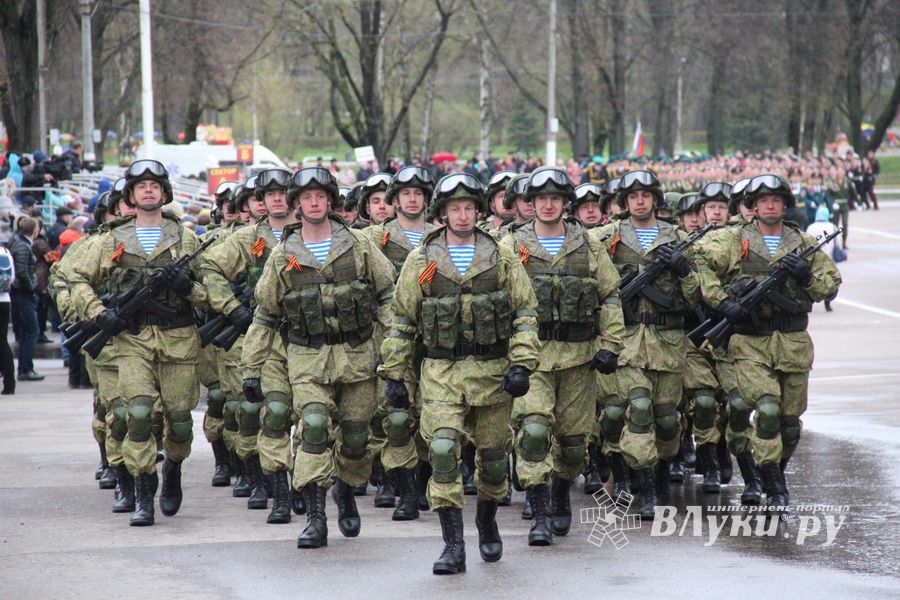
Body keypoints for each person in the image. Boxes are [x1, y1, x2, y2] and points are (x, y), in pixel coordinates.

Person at [379, 172, 540, 574]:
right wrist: (395, 373)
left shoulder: (501, 256)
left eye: (469, 208)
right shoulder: (423, 259)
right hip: (442, 371)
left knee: (493, 459)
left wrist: (522, 363)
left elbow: (524, 312)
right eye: (455, 209)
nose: (463, 215)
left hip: (492, 371)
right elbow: (402, 319)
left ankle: (486, 520)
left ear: (479, 211)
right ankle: (452, 544)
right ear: (443, 213)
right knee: (443, 451)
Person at [241, 167, 396, 548]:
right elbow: (265, 314)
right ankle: (314, 516)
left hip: (358, 357)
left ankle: (346, 488)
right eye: (306, 197)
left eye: (320, 196)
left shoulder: (359, 246)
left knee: (356, 438)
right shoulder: (282, 256)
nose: (313, 202)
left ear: (330, 201)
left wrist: (396, 355)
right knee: (312, 427)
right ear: (297, 204)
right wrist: (251, 367)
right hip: (307, 359)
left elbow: (387, 298)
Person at [68, 159, 210, 527]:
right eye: (141, 186)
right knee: (139, 416)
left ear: (165, 194)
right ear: (130, 195)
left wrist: (188, 287)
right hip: (131, 340)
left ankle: (173, 467)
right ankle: (143, 492)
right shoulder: (111, 239)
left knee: (179, 421)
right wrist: (99, 313)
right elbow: (74, 278)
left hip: (178, 338)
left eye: (155, 185)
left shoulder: (187, 239)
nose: (148, 190)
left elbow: (212, 293)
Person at [694, 174, 841, 514]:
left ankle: (775, 475)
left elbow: (829, 287)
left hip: (792, 341)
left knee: (789, 424)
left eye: (776, 199)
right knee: (768, 412)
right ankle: (775, 488)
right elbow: (697, 263)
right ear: (753, 206)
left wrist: (806, 277)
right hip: (750, 343)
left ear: (784, 204)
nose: (770, 205)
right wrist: (721, 301)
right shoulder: (733, 240)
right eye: (763, 200)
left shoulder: (803, 243)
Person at [503, 166, 624, 547]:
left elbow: (609, 297)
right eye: (542, 199)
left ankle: (559, 490)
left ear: (565, 203)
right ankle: (539, 514)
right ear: (531, 203)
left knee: (573, 446)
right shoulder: (509, 246)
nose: (549, 205)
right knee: (534, 432)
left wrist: (610, 345)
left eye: (556, 199)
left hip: (578, 358)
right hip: (532, 356)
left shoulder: (587, 244)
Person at [594, 169, 700, 520]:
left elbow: (697, 295)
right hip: (626, 340)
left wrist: (684, 270)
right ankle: (648, 492)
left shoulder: (678, 238)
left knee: (667, 421)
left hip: (668, 342)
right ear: (624, 202)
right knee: (638, 410)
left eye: (646, 195)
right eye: (633, 196)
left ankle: (659, 471)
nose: (640, 201)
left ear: (656, 199)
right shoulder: (607, 237)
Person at [200, 168, 295, 520]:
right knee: (270, 413)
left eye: (282, 191)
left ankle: (309, 485)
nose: (275, 198)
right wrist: (232, 308)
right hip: (264, 340)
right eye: (266, 194)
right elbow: (209, 267)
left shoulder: (318, 234)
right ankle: (274, 488)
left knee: (319, 421)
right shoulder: (247, 238)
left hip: (313, 340)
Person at [9, 216, 44, 381]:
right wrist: (32, 287)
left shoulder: (19, 243)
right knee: (32, 331)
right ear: (35, 230)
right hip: (23, 293)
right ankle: (26, 369)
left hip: (20, 293)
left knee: (27, 332)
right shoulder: (23, 245)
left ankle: (24, 368)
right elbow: (22, 270)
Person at [0, 242, 16, 394]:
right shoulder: (4, 252)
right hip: (4, 300)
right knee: (3, 342)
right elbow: (12, 278)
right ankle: (9, 384)